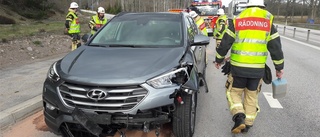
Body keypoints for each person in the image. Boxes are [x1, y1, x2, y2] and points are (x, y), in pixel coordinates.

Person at [214, 0, 284, 134]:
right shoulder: (268, 20)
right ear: (262, 5)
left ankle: (239, 116)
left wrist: (219, 59)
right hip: (257, 70)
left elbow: (226, 41)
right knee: (251, 96)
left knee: (233, 92)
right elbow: (275, 47)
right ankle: (247, 124)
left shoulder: (238, 19)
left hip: (238, 68)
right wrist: (279, 67)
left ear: (248, 5)